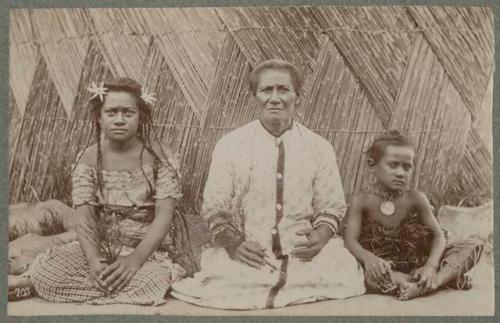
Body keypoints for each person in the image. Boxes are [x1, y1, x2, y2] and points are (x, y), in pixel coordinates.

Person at [171, 59, 365, 309]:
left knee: (342, 272)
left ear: (297, 95)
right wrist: (234, 244)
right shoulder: (231, 145)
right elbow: (214, 205)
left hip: (302, 253)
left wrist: (320, 235)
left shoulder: (318, 147)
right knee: (223, 282)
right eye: (266, 90)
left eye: (283, 89)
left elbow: (332, 205)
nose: (275, 98)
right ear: (254, 96)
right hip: (251, 251)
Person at [12, 77, 192, 305]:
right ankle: (100, 286)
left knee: (152, 281)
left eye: (128, 113)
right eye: (111, 112)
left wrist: (133, 260)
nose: (119, 120)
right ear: (99, 117)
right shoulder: (87, 160)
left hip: (148, 251)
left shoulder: (161, 159)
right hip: (102, 248)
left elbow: (164, 218)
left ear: (140, 117)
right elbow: (85, 219)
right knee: (45, 271)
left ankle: (82, 290)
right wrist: (94, 260)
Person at [343, 131, 484, 300]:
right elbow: (350, 240)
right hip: (389, 268)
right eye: (393, 165)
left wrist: (431, 266)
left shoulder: (416, 198)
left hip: (421, 262)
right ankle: (444, 279)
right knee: (371, 279)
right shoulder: (361, 200)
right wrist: (369, 259)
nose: (401, 173)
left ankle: (432, 282)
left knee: (474, 245)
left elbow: (438, 236)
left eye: (407, 166)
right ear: (373, 165)